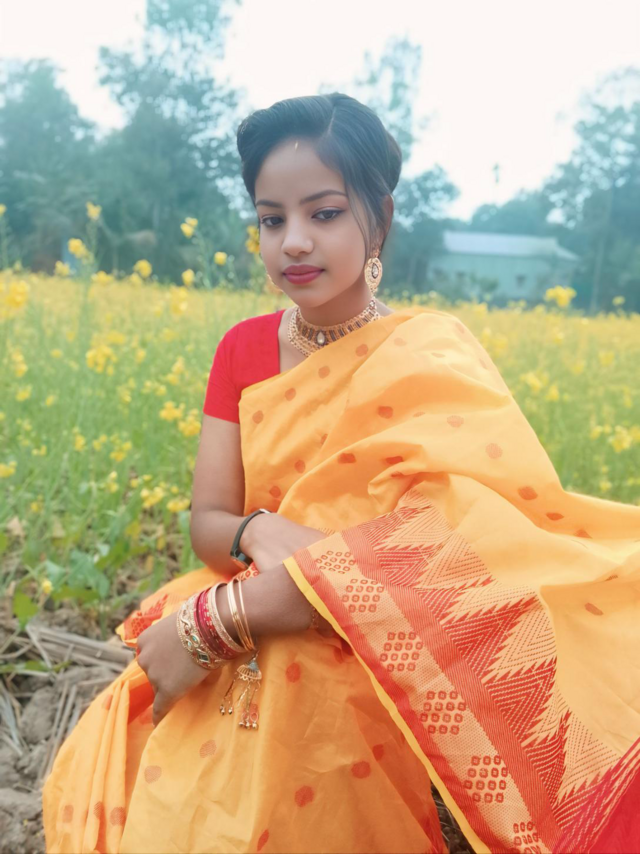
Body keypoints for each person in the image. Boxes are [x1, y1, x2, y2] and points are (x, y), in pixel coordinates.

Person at [42, 93, 640, 854]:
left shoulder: (427, 356)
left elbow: (441, 546)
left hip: (377, 628)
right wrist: (260, 531)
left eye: (323, 213)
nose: (293, 241)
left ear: (377, 219)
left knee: (307, 686)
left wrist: (219, 620)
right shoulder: (243, 350)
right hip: (250, 587)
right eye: (271, 219)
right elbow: (209, 522)